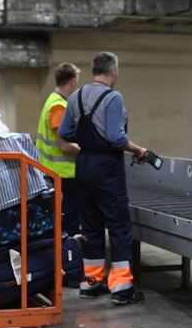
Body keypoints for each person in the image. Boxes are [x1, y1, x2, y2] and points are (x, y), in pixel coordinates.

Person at [59, 51, 150, 306]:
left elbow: (66, 131)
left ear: (93, 71)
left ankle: (90, 284)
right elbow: (116, 138)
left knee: (90, 226)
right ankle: (121, 288)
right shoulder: (113, 97)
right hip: (106, 167)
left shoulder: (76, 96)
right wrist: (139, 150)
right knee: (119, 225)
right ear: (113, 72)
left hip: (84, 164)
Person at [37, 62, 83, 285]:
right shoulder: (59, 107)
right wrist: (86, 151)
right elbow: (65, 145)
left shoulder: (52, 101)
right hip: (63, 175)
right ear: (72, 81)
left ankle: (62, 269)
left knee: (60, 225)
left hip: (53, 175)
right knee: (69, 226)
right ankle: (69, 270)